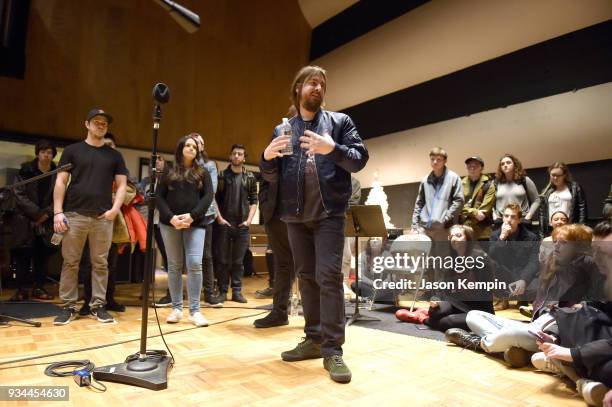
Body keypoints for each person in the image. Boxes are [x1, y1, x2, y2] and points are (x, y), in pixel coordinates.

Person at [261, 65, 369, 383]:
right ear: (298, 89)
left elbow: (360, 158)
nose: (318, 87)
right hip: (295, 216)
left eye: (322, 83)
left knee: (329, 277)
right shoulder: (283, 129)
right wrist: (266, 157)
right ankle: (313, 338)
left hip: (329, 215)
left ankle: (333, 349)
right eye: (311, 82)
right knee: (306, 277)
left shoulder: (339, 123)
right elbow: (271, 176)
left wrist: (332, 149)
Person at [53, 109, 128, 325]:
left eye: (104, 122)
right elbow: (60, 182)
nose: (101, 125)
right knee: (70, 262)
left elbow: (122, 185)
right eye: (96, 121)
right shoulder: (72, 151)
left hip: (102, 217)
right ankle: (68, 306)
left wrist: (115, 209)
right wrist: (58, 212)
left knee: (100, 264)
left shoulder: (114, 155)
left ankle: (98, 305)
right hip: (74, 215)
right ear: (86, 124)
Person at [156, 135, 214, 326]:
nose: (191, 149)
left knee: (195, 264)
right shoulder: (168, 170)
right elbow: (159, 197)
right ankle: (177, 308)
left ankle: (195, 311)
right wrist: (172, 218)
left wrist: (192, 216)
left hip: (195, 223)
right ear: (181, 148)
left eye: (194, 147)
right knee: (173, 265)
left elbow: (208, 197)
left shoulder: (203, 172)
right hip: (170, 223)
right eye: (187, 145)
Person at [396, 225, 495, 331]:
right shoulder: (451, 261)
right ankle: (426, 313)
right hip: (457, 303)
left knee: (447, 322)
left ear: (468, 239)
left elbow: (485, 293)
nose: (454, 239)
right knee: (435, 311)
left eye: (458, 235)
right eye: (451, 236)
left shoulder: (481, 260)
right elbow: (443, 286)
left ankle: (421, 318)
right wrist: (437, 301)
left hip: (477, 309)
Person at [9, 139, 58, 301]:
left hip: (46, 221)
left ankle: (39, 288)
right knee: (23, 256)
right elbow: (19, 195)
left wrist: (47, 214)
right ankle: (21, 290)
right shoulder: (25, 171)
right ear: (37, 153)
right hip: (25, 221)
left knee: (42, 257)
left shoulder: (57, 173)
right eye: (43, 151)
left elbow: (61, 197)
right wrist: (37, 214)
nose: (46, 155)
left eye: (49, 152)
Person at [412, 147, 464, 287]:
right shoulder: (425, 180)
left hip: (442, 228)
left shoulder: (453, 178)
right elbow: (419, 202)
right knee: (426, 260)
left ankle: (440, 291)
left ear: (445, 161)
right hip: (425, 227)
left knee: (442, 261)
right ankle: (428, 290)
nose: (435, 162)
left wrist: (446, 217)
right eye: (432, 159)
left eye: (438, 159)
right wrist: (414, 225)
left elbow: (459, 200)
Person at [214, 144, 258, 304]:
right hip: (225, 223)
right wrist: (219, 219)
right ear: (230, 156)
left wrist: (249, 220)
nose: (237, 156)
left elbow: (254, 200)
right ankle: (222, 291)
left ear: (244, 158)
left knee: (238, 261)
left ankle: (237, 291)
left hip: (242, 225)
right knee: (223, 260)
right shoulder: (221, 176)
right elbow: (214, 199)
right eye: (234, 154)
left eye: (240, 154)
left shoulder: (251, 177)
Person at [253, 178, 295, 328]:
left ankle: (316, 318)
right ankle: (279, 312)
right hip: (274, 214)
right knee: (282, 265)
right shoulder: (270, 155)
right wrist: (265, 206)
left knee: (308, 265)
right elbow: (265, 180)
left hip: (302, 213)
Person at [488, 203, 540, 308]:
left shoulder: (531, 237)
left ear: (519, 220)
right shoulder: (495, 235)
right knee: (490, 264)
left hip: (522, 273)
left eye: (513, 217)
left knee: (535, 289)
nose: (508, 220)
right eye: (506, 216)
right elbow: (491, 255)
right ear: (502, 218)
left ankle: (522, 298)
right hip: (504, 274)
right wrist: (502, 238)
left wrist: (523, 280)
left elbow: (533, 262)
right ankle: (503, 298)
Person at [192, 133, 223, 307]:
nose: (196, 145)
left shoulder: (210, 165)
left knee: (206, 256)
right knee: (182, 257)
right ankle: (172, 293)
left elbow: (210, 191)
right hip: (185, 216)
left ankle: (209, 293)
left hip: (205, 216)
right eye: (193, 142)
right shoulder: (182, 166)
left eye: (200, 143)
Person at [539, 162, 587, 238]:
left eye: (558, 175)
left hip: (570, 228)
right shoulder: (546, 191)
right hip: (552, 229)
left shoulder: (575, 187)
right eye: (553, 175)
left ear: (564, 175)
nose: (555, 178)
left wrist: (580, 229)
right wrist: (542, 235)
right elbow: (542, 214)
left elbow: (582, 209)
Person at [492, 154, 539, 227]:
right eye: (502, 164)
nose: (505, 165)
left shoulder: (525, 180)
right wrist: (495, 216)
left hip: (521, 221)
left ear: (515, 165)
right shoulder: (495, 183)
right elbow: (489, 203)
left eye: (508, 162)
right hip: (501, 221)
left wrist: (528, 217)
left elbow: (536, 200)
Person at [460, 156, 496, 240]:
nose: (472, 167)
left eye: (476, 165)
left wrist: (466, 212)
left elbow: (483, 213)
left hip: (482, 231)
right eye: (469, 165)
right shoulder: (460, 184)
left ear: (482, 168)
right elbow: (457, 205)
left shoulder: (489, 184)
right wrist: (474, 212)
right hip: (463, 230)